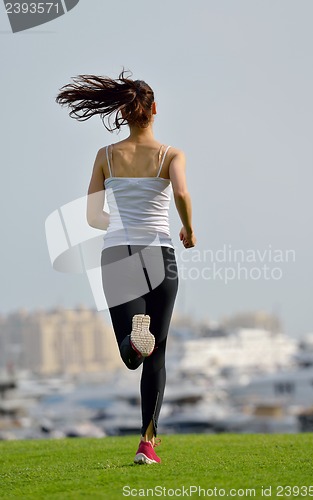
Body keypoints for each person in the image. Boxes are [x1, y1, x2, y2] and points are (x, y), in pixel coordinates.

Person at [56, 69, 196, 464]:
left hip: (118, 252)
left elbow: (91, 214)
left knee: (132, 356)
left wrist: (119, 222)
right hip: (160, 254)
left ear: (124, 111)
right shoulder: (171, 155)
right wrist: (188, 228)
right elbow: (182, 192)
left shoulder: (106, 156)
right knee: (159, 356)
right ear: (154, 110)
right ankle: (147, 445)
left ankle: (135, 340)